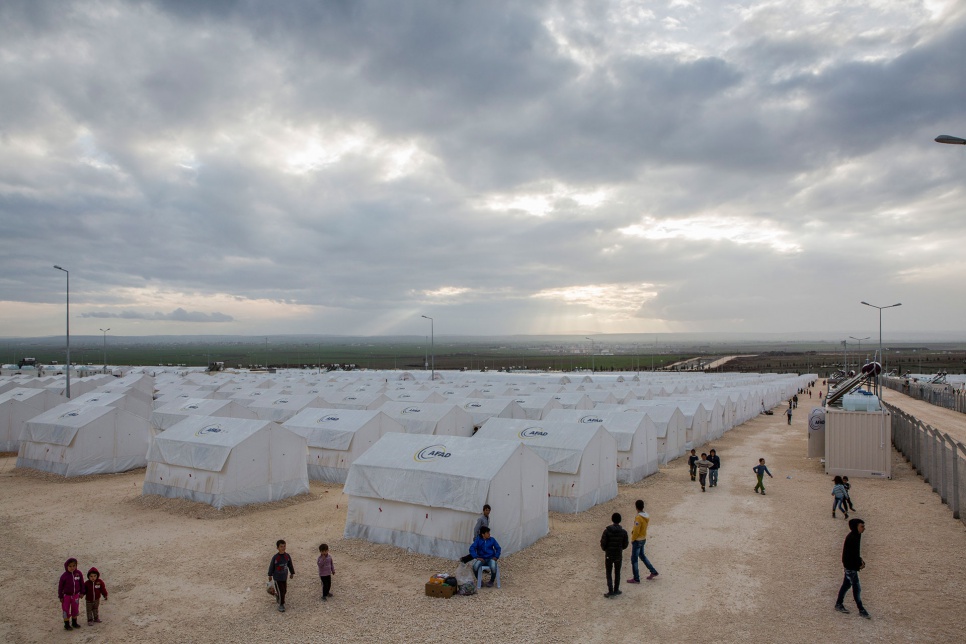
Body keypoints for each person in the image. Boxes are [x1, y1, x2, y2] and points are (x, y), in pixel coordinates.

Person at [835, 519, 870, 619]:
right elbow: (851, 554)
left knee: (847, 585)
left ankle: (839, 604)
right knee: (855, 588)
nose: (864, 528)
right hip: (850, 567)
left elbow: (855, 553)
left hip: (851, 566)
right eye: (862, 526)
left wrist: (860, 561)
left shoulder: (856, 535)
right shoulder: (852, 538)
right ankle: (861, 609)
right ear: (856, 527)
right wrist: (858, 564)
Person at [626, 500, 659, 584]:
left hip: (637, 540)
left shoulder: (638, 518)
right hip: (643, 538)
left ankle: (636, 578)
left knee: (634, 559)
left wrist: (633, 539)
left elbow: (636, 530)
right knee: (642, 556)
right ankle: (653, 571)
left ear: (636, 507)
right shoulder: (646, 516)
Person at [600, 512, 629, 598]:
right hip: (618, 555)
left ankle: (610, 591)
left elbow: (603, 543)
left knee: (609, 572)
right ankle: (616, 589)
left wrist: (605, 550)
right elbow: (625, 545)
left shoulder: (607, 531)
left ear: (612, 520)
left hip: (609, 554)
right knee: (617, 572)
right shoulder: (623, 532)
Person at [268, 539, 295, 612]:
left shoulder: (287, 556)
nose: (283, 548)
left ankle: (278, 597)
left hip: (284, 577)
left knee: (284, 590)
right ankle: (281, 604)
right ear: (277, 548)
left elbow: (290, 565)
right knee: (281, 591)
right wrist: (270, 575)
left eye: (284, 546)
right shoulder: (275, 557)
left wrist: (292, 573)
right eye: (281, 546)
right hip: (277, 577)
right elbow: (271, 566)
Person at [58, 557, 85, 630]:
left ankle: (74, 622)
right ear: (66, 566)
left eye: (74, 565)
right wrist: (60, 596)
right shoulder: (64, 576)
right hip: (66, 596)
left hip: (76, 595)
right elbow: (60, 587)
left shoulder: (78, 573)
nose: (72, 567)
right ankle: (66, 624)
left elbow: (82, 583)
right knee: (65, 610)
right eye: (70, 566)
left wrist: (82, 592)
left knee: (75, 609)